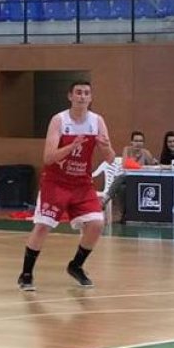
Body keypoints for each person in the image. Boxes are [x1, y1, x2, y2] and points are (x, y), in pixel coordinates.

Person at [17, 80, 115, 291]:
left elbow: (110, 158)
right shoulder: (59, 120)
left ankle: (76, 266)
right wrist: (72, 146)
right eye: (78, 92)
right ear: (70, 96)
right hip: (56, 182)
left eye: (86, 93)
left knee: (97, 224)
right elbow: (48, 158)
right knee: (43, 226)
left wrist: (105, 147)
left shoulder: (97, 121)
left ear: (91, 97)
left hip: (81, 183)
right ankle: (26, 274)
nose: (82, 96)